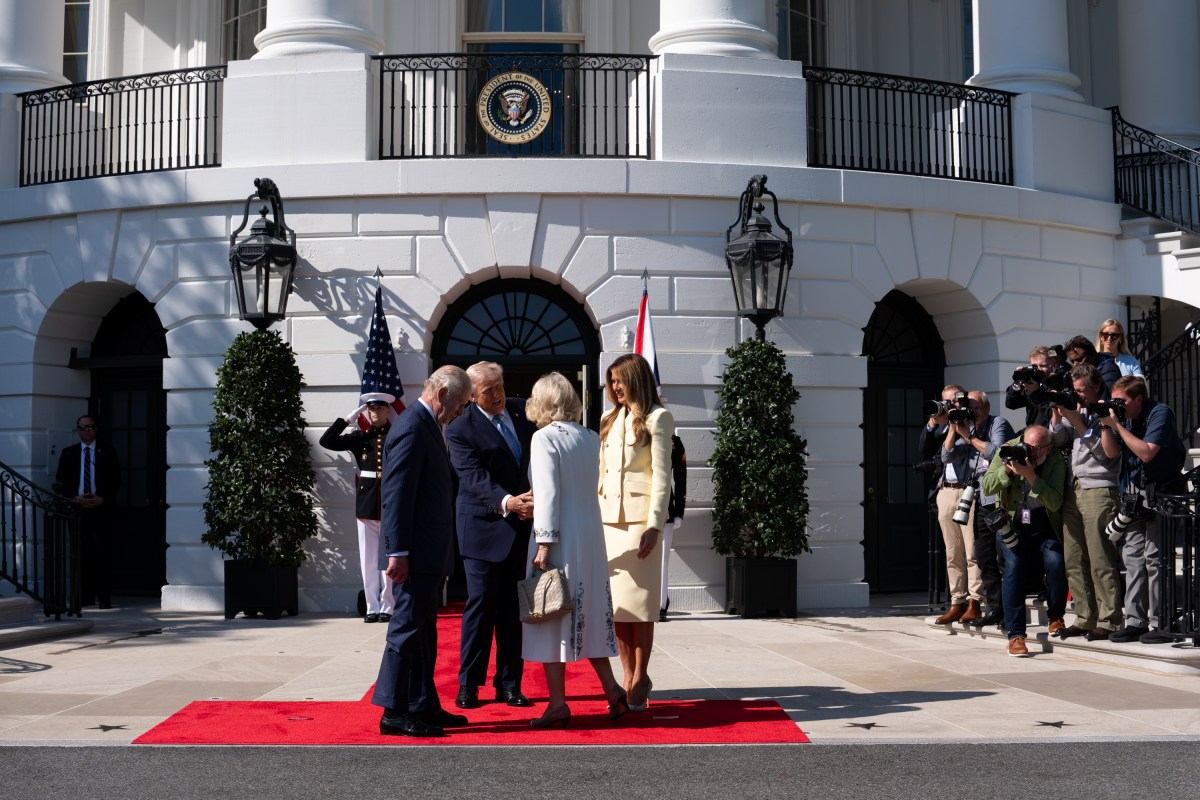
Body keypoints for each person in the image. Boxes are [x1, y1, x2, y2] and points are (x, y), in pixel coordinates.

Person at [522, 372, 629, 728]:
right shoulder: (590, 437)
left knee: (551, 614)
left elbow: (547, 493)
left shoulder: (543, 438)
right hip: (589, 534)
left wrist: (544, 543)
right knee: (591, 615)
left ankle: (557, 704)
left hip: (560, 535)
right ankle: (612, 689)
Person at [372, 366, 473, 738]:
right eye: (461, 404)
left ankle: (422, 704)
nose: (461, 412)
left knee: (423, 633)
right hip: (412, 554)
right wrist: (396, 551)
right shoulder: (413, 426)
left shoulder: (428, 425)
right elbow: (396, 494)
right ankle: (394, 711)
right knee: (407, 630)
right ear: (443, 391)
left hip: (428, 552)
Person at [446, 362, 536, 710]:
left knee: (514, 610)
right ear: (471, 395)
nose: (497, 394)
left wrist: (535, 500)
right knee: (481, 608)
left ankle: (509, 684)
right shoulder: (460, 429)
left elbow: (538, 460)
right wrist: (508, 502)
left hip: (520, 529)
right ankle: (469, 684)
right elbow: (472, 477)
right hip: (483, 529)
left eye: (499, 386)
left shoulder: (521, 411)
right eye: (488, 391)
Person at [598, 353, 674, 712]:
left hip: (639, 524)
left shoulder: (659, 418)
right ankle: (628, 676)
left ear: (636, 379)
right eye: (611, 381)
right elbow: (601, 476)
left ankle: (640, 675)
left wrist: (654, 525)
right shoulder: (608, 419)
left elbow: (662, 477)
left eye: (620, 380)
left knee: (640, 607)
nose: (615, 387)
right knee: (617, 608)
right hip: (607, 524)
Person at [1099, 375, 1186, 644]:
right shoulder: (1121, 417)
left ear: (1138, 398)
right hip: (1134, 494)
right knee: (1133, 558)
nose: (1118, 406)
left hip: (1162, 493)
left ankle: (1162, 620)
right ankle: (1136, 621)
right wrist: (1106, 425)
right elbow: (1111, 453)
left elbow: (1147, 452)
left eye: (1122, 401)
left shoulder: (1159, 412)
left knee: (1155, 559)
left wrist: (1117, 425)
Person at [1049, 365, 1124, 641]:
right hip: (1075, 487)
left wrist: (1077, 420)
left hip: (1100, 488)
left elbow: (1106, 455)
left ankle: (1110, 619)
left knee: (1100, 557)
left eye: (1081, 390)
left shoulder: (1111, 409)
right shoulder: (1078, 409)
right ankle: (1084, 617)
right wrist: (1057, 413)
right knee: (1074, 558)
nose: (1077, 395)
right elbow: (1057, 440)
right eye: (1075, 390)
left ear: (1095, 387)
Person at [981, 424, 1068, 657]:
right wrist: (1007, 471)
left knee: (1056, 562)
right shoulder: (1008, 449)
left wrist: (1030, 475)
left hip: (1044, 524)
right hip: (1013, 524)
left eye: (1037, 450)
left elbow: (1056, 502)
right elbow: (987, 486)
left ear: (1048, 449)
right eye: (1028, 447)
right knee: (1014, 568)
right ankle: (1016, 635)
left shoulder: (1055, 461)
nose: (1030, 453)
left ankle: (1056, 616)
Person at [318, 392, 396, 623]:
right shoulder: (359, 437)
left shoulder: (395, 436)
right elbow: (327, 441)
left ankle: (388, 605)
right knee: (368, 558)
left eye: (380, 409)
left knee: (389, 557)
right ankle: (372, 606)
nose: (375, 413)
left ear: (388, 410)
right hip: (366, 502)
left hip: (390, 501)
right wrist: (348, 419)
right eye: (371, 409)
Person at [55, 414, 122, 609]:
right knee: (80, 554)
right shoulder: (68, 453)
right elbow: (61, 480)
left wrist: (102, 498)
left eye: (91, 427)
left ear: (96, 429)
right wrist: (74, 498)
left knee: (102, 553)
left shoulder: (107, 452)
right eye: (83, 427)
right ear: (78, 430)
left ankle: (104, 597)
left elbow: (116, 480)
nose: (87, 430)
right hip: (77, 510)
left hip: (102, 509)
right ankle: (84, 596)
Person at [1004, 345, 1055, 429]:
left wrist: (1036, 392)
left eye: (1042, 366)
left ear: (1052, 365)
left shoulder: (1057, 385)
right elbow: (1010, 404)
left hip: (1050, 434)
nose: (1039, 369)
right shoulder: (1030, 385)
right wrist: (1018, 382)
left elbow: (1049, 414)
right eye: (1034, 366)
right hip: (1031, 432)